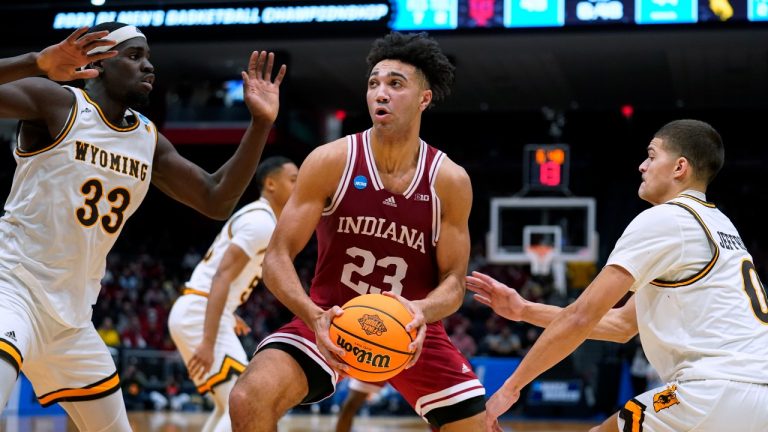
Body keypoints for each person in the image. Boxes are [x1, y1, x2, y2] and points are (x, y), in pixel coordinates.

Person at [0, 23, 285, 430]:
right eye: (134, 57)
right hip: (12, 289)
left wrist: (259, 125)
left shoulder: (147, 139)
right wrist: (35, 62)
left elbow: (216, 198)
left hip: (73, 320)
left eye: (148, 58)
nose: (148, 67)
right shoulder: (58, 103)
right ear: (98, 64)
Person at [229, 31, 486, 431]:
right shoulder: (332, 160)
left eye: (395, 84)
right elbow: (277, 257)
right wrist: (313, 314)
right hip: (330, 317)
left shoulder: (449, 180)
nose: (380, 93)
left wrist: (421, 311)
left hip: (410, 329)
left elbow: (454, 281)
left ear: (424, 98)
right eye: (374, 84)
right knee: (248, 397)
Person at [467, 119, 768, 431]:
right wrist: (524, 310)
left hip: (710, 391)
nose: (642, 166)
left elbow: (580, 317)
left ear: (680, 167)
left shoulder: (666, 219)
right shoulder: (719, 225)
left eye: (652, 156)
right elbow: (622, 325)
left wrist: (509, 388)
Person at [168, 156, 298, 432]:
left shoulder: (260, 218)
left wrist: (228, 311)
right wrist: (208, 339)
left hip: (199, 309)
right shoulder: (261, 222)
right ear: (271, 184)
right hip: (198, 313)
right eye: (293, 180)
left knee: (228, 404)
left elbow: (221, 274)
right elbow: (222, 275)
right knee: (248, 401)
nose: (299, 186)